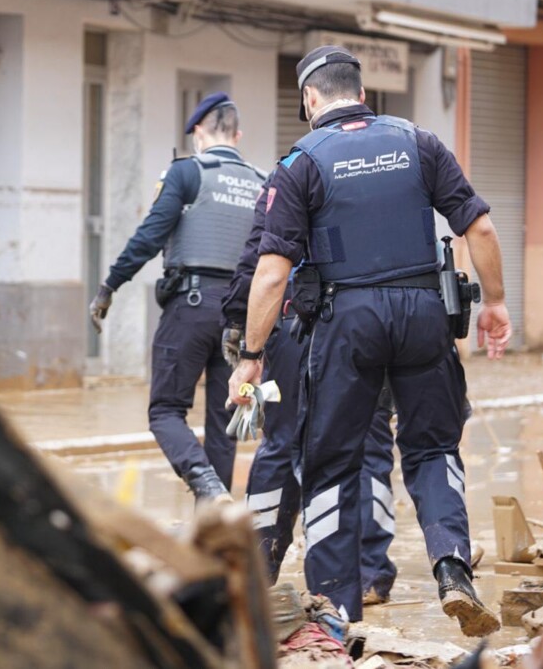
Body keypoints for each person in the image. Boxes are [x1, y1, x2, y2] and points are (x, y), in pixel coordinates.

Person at [228, 46, 511, 634]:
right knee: (432, 448)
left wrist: (251, 358)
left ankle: (337, 611)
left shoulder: (302, 162)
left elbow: (272, 271)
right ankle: (452, 567)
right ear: (361, 91)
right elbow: (478, 226)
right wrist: (498, 303)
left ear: (310, 98)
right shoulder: (419, 143)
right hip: (423, 313)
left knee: (332, 462)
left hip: (347, 323)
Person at [222, 177, 399, 599]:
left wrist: (241, 329)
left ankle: (256, 571)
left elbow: (259, 257)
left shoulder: (295, 172)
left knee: (282, 443)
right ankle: (370, 572)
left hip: (298, 325)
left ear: (312, 105)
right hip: (375, 326)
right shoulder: (393, 171)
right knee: (370, 442)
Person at [90, 92, 266, 503]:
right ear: (237, 134)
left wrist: (110, 285)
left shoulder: (187, 172)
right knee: (225, 418)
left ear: (199, 133)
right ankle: (216, 517)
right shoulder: (263, 181)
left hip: (191, 306)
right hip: (241, 319)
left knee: (165, 411)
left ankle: (204, 484)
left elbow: (150, 236)